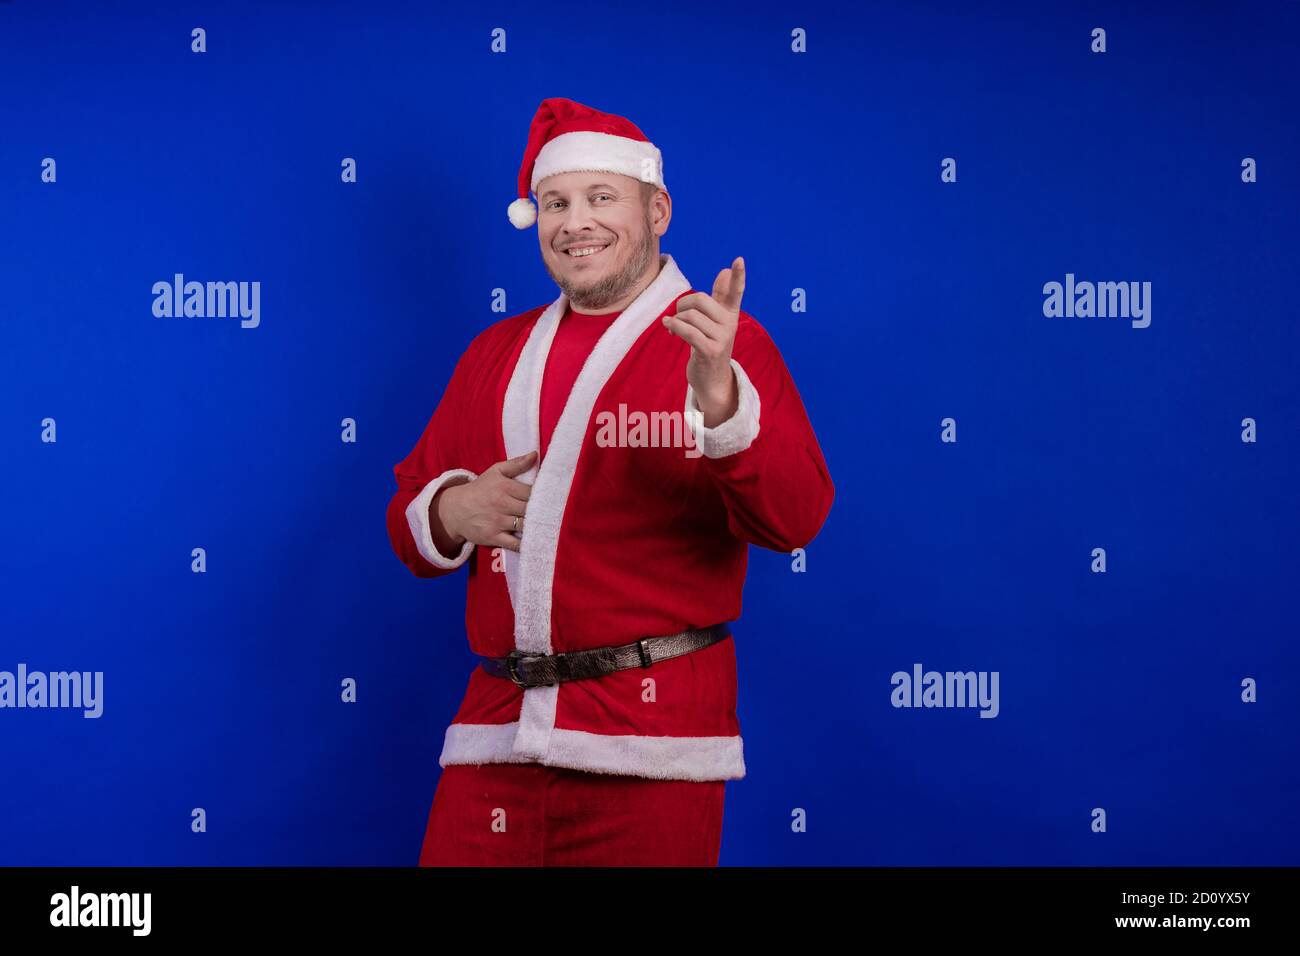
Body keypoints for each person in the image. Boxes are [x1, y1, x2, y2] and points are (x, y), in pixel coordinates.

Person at [386, 97, 835, 866]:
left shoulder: (722, 344)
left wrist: (720, 405)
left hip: (652, 743)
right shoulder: (493, 353)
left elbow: (795, 521)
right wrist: (453, 510)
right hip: (497, 734)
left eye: (601, 197)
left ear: (657, 210)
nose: (575, 223)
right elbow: (408, 522)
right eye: (556, 203)